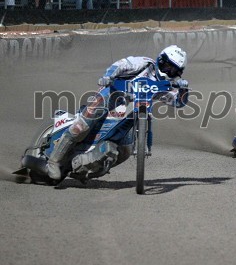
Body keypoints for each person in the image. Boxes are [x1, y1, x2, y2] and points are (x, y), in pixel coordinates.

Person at [45, 45, 190, 180]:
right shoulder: (145, 63)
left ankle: (88, 167)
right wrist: (109, 76)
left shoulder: (164, 87)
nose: (169, 72)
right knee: (80, 128)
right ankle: (53, 161)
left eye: (174, 71)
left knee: (124, 151)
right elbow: (121, 65)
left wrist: (184, 89)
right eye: (168, 66)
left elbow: (178, 102)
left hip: (133, 110)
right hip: (111, 94)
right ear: (160, 60)